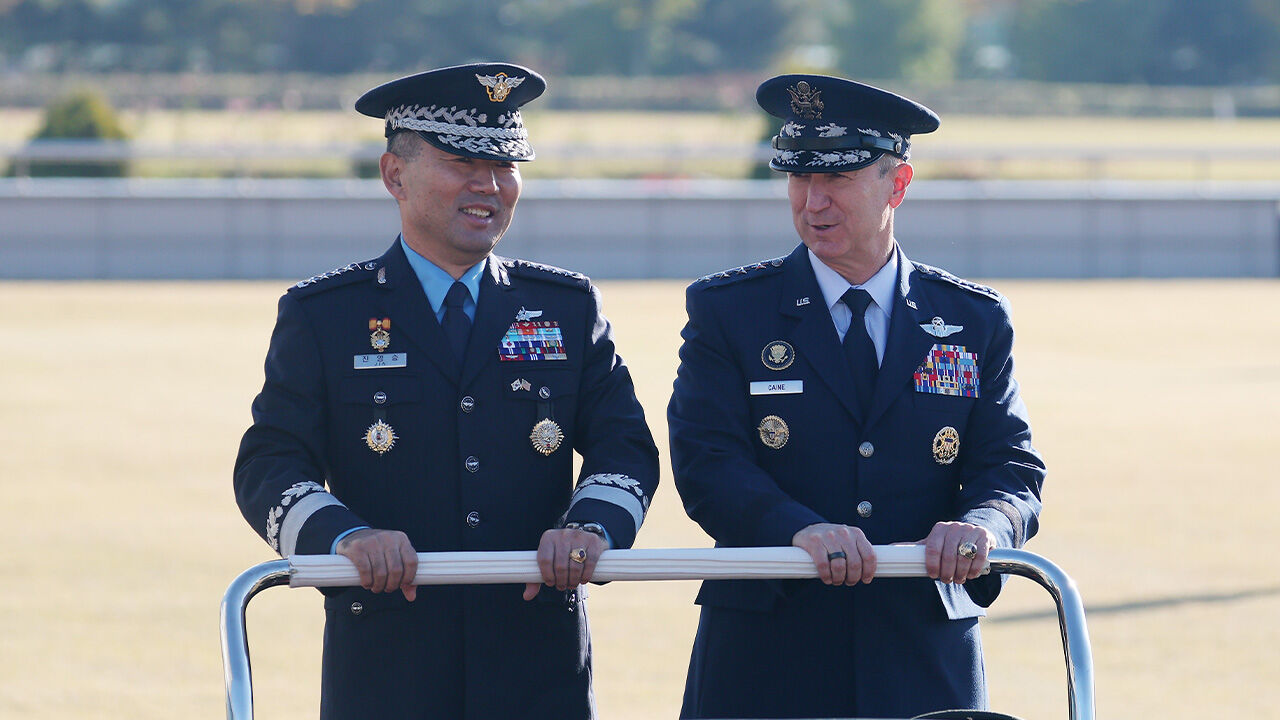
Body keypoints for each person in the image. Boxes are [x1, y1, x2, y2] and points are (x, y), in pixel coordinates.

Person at [233, 63, 659, 720]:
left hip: (537, 670)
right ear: (394, 175)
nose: (488, 184)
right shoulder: (324, 314)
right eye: (462, 161)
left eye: (506, 165)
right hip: (386, 667)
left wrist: (590, 527)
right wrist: (343, 537)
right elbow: (269, 464)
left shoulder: (566, 306)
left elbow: (625, 447)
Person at [668, 73, 1046, 719]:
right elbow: (708, 461)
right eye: (798, 179)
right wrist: (799, 531)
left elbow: (1009, 466)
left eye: (836, 180)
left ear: (896, 183)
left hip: (918, 647)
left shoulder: (972, 318)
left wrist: (984, 526)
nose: (813, 202)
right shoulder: (730, 310)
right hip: (768, 647)